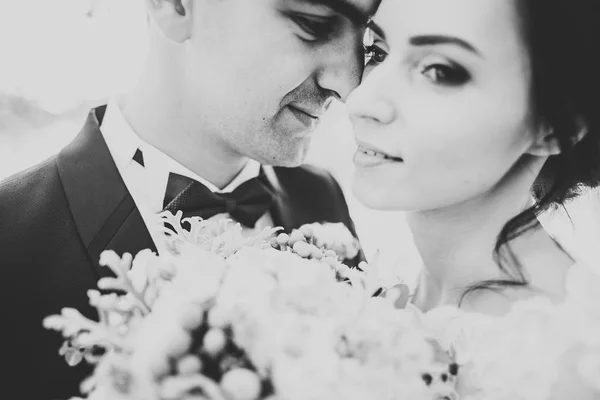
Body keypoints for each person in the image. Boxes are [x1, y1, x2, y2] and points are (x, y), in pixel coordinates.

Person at [0, 0, 378, 398]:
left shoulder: (322, 199)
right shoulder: (11, 236)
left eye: (367, 42)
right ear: (176, 7)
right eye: (312, 24)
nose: (351, 84)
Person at [347, 0, 600, 397]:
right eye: (376, 51)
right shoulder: (387, 277)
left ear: (555, 125)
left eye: (438, 71)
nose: (360, 101)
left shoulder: (563, 364)